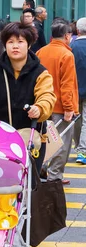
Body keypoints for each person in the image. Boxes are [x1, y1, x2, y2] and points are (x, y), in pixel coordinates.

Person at [0, 22, 56, 174]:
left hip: (31, 139)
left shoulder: (41, 73)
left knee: (28, 187)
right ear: (5, 45)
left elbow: (47, 96)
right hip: (0, 139)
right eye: (10, 42)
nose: (15, 46)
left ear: (29, 45)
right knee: (1, 184)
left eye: (20, 41)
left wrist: (40, 108)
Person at [36, 19, 79, 184]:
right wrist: (69, 108)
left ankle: (42, 167)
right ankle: (55, 176)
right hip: (60, 107)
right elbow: (67, 84)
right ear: (67, 36)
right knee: (61, 143)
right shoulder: (67, 55)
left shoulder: (41, 52)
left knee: (45, 140)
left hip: (43, 105)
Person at [72, 18, 86, 165]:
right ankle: (82, 150)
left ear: (77, 30)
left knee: (77, 119)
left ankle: (78, 147)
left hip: (74, 89)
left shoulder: (71, 46)